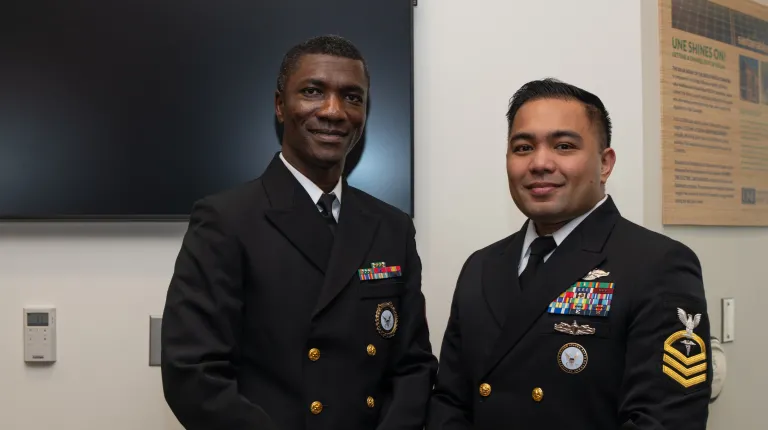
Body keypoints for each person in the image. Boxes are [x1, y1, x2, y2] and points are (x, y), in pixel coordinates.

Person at [161, 34, 437, 430]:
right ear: (280, 105)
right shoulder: (226, 220)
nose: (334, 111)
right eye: (312, 91)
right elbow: (192, 373)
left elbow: (413, 365)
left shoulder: (392, 227)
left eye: (352, 97)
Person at [426, 78, 712, 429]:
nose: (540, 163)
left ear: (605, 163)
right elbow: (450, 401)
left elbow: (665, 419)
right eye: (523, 148)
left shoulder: (657, 265)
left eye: (563, 146)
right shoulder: (481, 266)